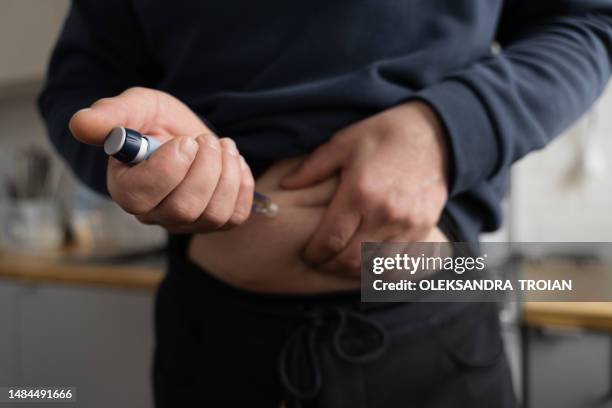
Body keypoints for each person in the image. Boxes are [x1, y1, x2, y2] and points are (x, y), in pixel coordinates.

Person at [38, 1, 612, 407]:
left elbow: (590, 19)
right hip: (211, 338)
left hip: (440, 318)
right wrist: (131, 165)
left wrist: (445, 131)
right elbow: (78, 88)